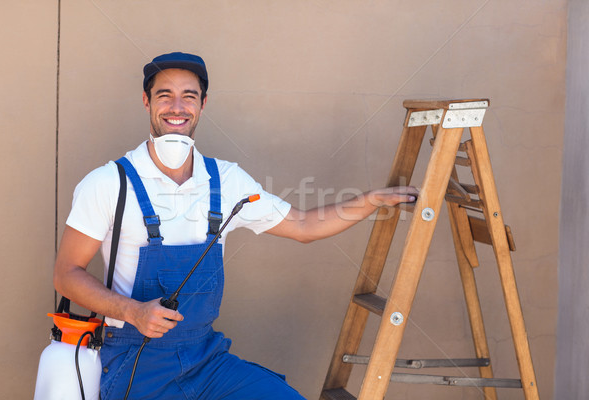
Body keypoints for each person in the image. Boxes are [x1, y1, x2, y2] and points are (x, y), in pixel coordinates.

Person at [53, 52, 418, 400]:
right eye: (164, 96)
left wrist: (372, 200)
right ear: (146, 102)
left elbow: (305, 226)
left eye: (188, 96)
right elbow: (67, 274)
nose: (177, 107)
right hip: (135, 364)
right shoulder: (108, 183)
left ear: (203, 104)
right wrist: (131, 311)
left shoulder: (226, 181)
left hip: (207, 360)